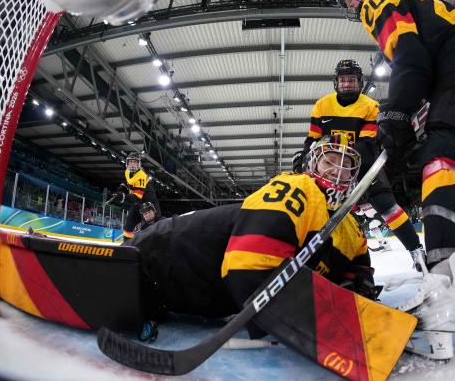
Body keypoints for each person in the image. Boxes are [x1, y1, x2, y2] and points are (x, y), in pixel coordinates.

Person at [335, 0, 455, 335]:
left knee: (441, 155)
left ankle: (440, 294)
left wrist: (397, 110)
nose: (353, 1)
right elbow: (423, 53)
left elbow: (410, 54)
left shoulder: (380, 0)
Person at [129, 134, 382, 336]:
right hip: (155, 254)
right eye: (329, 162)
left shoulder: (350, 226)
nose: (338, 171)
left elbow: (358, 267)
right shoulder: (297, 188)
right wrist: (295, 322)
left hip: (189, 294)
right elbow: (247, 269)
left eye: (346, 166)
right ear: (312, 165)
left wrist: (358, 286)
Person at [293, 59, 425, 270]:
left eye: (351, 80)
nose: (347, 84)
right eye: (343, 80)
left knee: (387, 206)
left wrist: (332, 147)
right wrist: (305, 158)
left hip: (363, 164)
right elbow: (312, 139)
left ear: (360, 81)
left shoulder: (370, 106)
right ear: (336, 82)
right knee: (318, 213)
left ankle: (416, 251)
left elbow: (366, 146)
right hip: (328, 168)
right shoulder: (321, 105)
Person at [116, 152, 160, 240]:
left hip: (149, 205)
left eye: (135, 162)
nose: (132, 164)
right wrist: (123, 187)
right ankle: (127, 246)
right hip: (137, 204)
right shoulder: (127, 172)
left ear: (139, 163)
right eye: (131, 161)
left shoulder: (141, 175)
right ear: (127, 163)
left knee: (154, 230)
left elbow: (137, 196)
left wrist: (123, 197)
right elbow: (130, 184)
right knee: (128, 227)